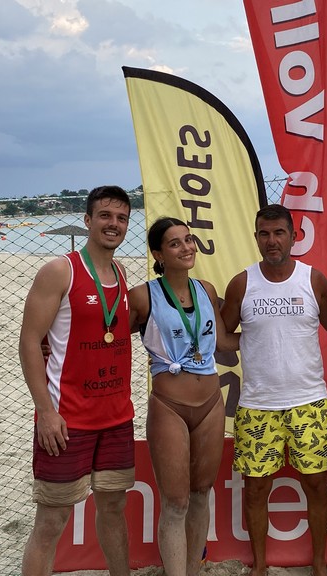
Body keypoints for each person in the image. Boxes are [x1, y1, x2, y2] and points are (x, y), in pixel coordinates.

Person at [18, 185, 134, 576]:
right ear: (87, 220)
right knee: (52, 522)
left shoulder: (120, 272)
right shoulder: (59, 271)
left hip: (116, 416)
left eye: (120, 218)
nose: (113, 224)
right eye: (104, 215)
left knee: (115, 509)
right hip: (67, 420)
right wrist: (45, 412)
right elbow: (30, 342)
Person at [220, 204, 327, 576]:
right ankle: (260, 566)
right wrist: (254, 338)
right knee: (256, 490)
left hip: (309, 402)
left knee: (317, 486)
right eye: (264, 234)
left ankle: (319, 564)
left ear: (293, 236)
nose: (272, 241)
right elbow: (224, 338)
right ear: (256, 237)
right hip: (257, 405)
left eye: (279, 233)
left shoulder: (313, 279)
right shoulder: (242, 283)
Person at [128, 217, 238, 576]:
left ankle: (194, 569)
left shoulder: (205, 289)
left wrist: (273, 329)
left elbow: (222, 342)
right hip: (169, 406)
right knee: (175, 503)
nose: (187, 247)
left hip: (210, 404)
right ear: (159, 254)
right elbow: (106, 335)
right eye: (175, 243)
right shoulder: (143, 295)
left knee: (200, 494)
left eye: (189, 240)